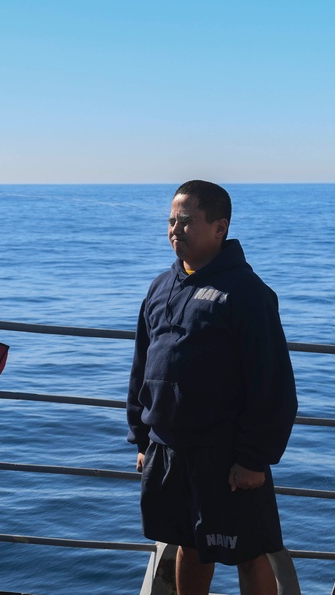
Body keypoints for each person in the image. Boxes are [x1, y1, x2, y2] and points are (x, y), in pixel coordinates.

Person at [126, 180, 297, 595]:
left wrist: (254, 459)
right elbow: (141, 367)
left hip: (226, 457)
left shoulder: (246, 293)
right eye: (171, 220)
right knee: (188, 543)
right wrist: (143, 439)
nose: (175, 229)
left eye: (186, 221)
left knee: (248, 552)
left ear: (220, 227)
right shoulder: (159, 287)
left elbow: (271, 382)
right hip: (168, 450)